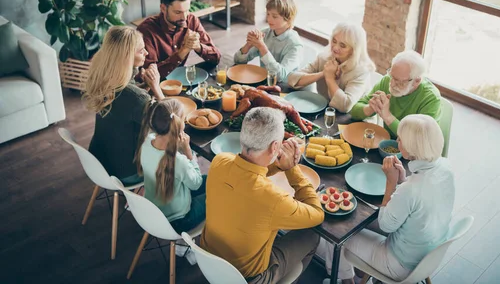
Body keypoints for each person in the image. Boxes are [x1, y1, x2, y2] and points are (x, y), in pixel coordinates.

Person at [318, 114, 455, 284]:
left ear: (412, 147)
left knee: (337, 232)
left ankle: (347, 281)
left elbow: (386, 225)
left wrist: (391, 183)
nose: (397, 140)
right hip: (428, 254)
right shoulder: (445, 166)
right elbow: (419, 201)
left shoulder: (411, 189)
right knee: (361, 220)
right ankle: (361, 271)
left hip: (399, 264)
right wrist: (402, 179)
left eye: (400, 139)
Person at [199, 107, 324, 283]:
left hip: (207, 260)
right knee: (312, 235)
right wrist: (291, 169)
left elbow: (248, 173)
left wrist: (279, 166)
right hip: (248, 279)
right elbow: (317, 215)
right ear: (275, 147)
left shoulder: (220, 161)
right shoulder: (274, 199)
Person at [83, 26, 165, 185]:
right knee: (178, 151)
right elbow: (168, 121)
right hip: (126, 173)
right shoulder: (136, 98)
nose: (147, 53)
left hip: (99, 161)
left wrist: (141, 85)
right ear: (127, 57)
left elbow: (126, 104)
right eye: (141, 50)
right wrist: (156, 87)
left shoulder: (103, 77)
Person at [134, 98, 206, 233]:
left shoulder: (147, 142)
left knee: (212, 180)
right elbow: (196, 183)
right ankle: (183, 245)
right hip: (180, 221)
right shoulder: (178, 161)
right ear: (179, 124)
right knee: (218, 192)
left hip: (154, 211)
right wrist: (188, 152)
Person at [137, 0, 221, 79]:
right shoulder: (146, 31)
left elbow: (216, 58)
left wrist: (198, 47)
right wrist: (182, 52)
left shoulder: (191, 20)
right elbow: (149, 76)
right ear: (163, 8)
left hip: (180, 80)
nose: (184, 17)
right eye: (178, 12)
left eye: (187, 10)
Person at [350, 50, 441, 138]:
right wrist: (370, 108)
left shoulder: (430, 98)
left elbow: (419, 140)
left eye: (399, 82)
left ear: (416, 81)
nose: (392, 84)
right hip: (388, 144)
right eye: (392, 76)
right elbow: (353, 111)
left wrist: (387, 116)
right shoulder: (387, 81)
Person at [287, 22, 375, 113]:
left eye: (342, 45)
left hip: (354, 120)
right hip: (325, 112)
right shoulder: (324, 58)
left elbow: (345, 106)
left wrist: (329, 78)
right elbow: (291, 79)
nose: (335, 48)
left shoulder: (361, 71)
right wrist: (323, 73)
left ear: (354, 49)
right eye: (334, 41)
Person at [233, 0, 303, 82]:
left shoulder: (295, 44)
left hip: (285, 88)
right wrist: (248, 45)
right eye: (268, 14)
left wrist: (262, 47)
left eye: (274, 16)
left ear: (288, 19)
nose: (269, 19)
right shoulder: (265, 34)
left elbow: (279, 76)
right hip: (265, 82)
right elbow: (238, 61)